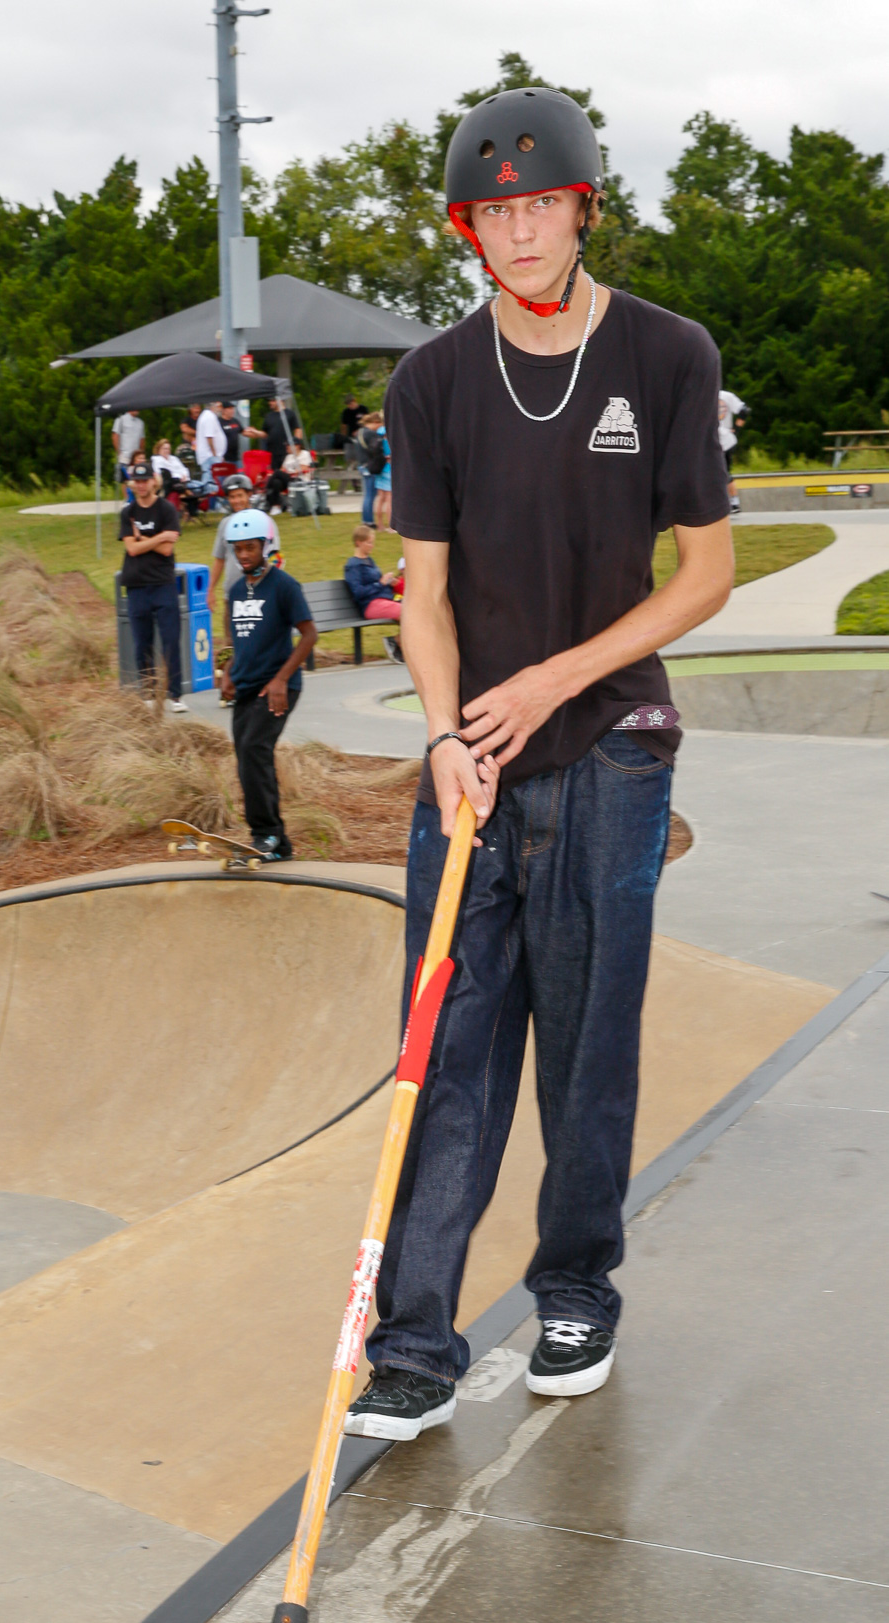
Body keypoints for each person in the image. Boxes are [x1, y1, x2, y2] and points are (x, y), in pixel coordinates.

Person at [341, 84, 733, 1441]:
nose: (517, 230)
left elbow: (705, 572)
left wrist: (555, 677)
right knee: (444, 1049)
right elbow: (424, 594)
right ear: (468, 227)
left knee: (581, 1045)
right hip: (472, 767)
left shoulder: (665, 356)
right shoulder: (430, 379)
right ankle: (413, 1342)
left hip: (609, 746)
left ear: (580, 207)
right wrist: (446, 737)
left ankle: (572, 1286)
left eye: (539, 203)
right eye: (492, 210)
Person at [219, 509, 318, 857]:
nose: (243, 555)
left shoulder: (285, 586)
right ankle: (277, 842)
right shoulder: (234, 591)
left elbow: (309, 635)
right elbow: (240, 642)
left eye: (250, 548)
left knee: (253, 750)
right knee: (246, 757)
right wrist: (228, 671)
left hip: (277, 685)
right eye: (238, 549)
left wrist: (280, 680)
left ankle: (267, 834)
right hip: (246, 686)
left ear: (265, 546)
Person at [119, 462, 186, 713]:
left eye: (145, 480)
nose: (141, 485)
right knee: (142, 643)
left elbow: (168, 549)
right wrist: (158, 538)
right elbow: (131, 549)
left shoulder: (167, 509)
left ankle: (175, 695)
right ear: (132, 484)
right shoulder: (128, 512)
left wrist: (143, 538)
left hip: (163, 583)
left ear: (153, 481)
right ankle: (148, 693)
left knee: (171, 640)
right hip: (136, 585)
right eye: (137, 481)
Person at [211, 475, 281, 601]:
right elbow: (219, 560)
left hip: (260, 592)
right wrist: (210, 589)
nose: (236, 501)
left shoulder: (264, 521)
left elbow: (274, 558)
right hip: (232, 593)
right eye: (232, 497)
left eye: (239, 495)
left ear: (249, 495)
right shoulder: (225, 524)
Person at [343, 523, 404, 663]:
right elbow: (358, 592)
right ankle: (396, 641)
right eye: (369, 543)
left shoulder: (369, 560)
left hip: (383, 599)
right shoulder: (353, 566)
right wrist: (380, 583)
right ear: (359, 542)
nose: (372, 545)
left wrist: (390, 582)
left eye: (372, 542)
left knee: (415, 608)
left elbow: (378, 583)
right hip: (370, 605)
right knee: (406, 611)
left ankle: (401, 644)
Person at [718, 390, 748, 513]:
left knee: (720, 471)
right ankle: (733, 502)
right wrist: (736, 430)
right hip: (726, 439)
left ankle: (731, 502)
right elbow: (744, 411)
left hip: (719, 440)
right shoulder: (726, 396)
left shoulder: (700, 394)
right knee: (724, 471)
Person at [358, 414, 387, 525]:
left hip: (362, 465)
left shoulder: (360, 432)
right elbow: (376, 450)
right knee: (371, 495)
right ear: (375, 422)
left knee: (367, 495)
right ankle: (369, 521)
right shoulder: (371, 434)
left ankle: (366, 519)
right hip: (370, 466)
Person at [195, 402, 227, 489]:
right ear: (213, 406)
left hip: (210, 457)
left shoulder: (207, 416)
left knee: (211, 484)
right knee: (212, 487)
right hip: (210, 457)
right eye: (219, 406)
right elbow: (209, 437)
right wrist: (215, 454)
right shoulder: (209, 417)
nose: (220, 409)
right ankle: (211, 502)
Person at [112, 410, 145, 495]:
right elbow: (115, 436)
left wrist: (141, 454)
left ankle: (137, 499)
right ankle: (127, 500)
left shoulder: (140, 423)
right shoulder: (120, 420)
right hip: (125, 455)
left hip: (136, 456)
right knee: (125, 479)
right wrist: (119, 452)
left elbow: (142, 439)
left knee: (138, 476)